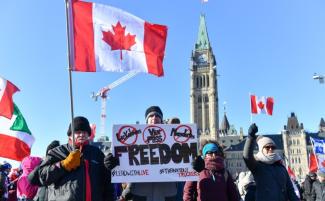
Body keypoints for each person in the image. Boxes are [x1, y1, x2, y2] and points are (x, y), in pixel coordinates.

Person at [38, 116, 114, 201]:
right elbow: (42, 176)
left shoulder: (97, 153)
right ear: (70, 135)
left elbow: (107, 182)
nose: (82, 134)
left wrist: (110, 167)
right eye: (78, 132)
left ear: (89, 134)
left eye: (85, 132)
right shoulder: (58, 152)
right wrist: (64, 165)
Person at [120, 106, 178, 201]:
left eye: (157, 116)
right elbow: (126, 163)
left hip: (167, 193)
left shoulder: (173, 138)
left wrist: (196, 166)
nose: (154, 118)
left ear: (162, 120)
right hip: (141, 193)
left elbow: (185, 164)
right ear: (146, 121)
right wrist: (114, 163)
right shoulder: (136, 140)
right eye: (151, 116)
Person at [243, 123, 299, 201]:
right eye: (267, 147)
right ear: (261, 149)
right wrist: (250, 137)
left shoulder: (281, 167)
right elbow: (247, 157)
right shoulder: (257, 166)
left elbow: (290, 191)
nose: (270, 149)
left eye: (272, 147)